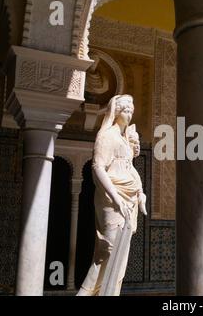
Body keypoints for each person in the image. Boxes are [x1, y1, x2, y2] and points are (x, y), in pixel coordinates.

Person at [77, 94, 147, 296]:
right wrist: (116, 197)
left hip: (128, 202)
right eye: (126, 110)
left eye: (131, 111)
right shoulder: (107, 136)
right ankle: (86, 293)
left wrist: (140, 194)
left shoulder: (124, 140)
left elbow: (129, 169)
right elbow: (98, 167)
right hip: (112, 200)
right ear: (116, 112)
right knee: (107, 251)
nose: (130, 114)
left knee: (120, 254)